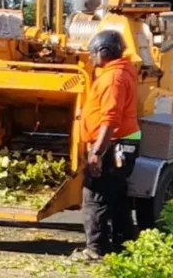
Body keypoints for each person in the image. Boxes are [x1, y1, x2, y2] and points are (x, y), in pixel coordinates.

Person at [72, 29, 142, 261]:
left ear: (103, 51)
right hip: (122, 143)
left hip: (113, 144)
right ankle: (124, 245)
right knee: (117, 195)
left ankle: (96, 250)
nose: (91, 58)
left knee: (95, 195)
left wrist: (96, 152)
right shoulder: (120, 72)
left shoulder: (113, 77)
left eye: (93, 53)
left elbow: (111, 119)